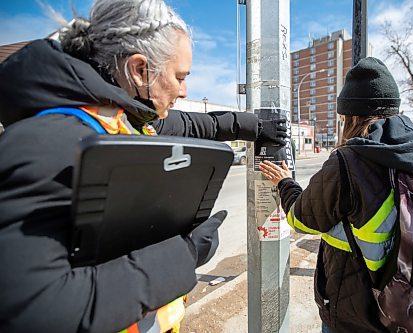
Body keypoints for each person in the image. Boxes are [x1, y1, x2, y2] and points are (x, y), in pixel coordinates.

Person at [0, 1, 286, 332]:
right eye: (179, 77)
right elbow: (32, 310)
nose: (184, 90)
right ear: (139, 69)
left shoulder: (119, 118)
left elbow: (190, 125)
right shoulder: (44, 144)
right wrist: (184, 254)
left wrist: (246, 125)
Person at [259, 57, 413, 333]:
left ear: (353, 117)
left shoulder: (349, 161)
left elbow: (301, 218)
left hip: (358, 311)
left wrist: (285, 182)